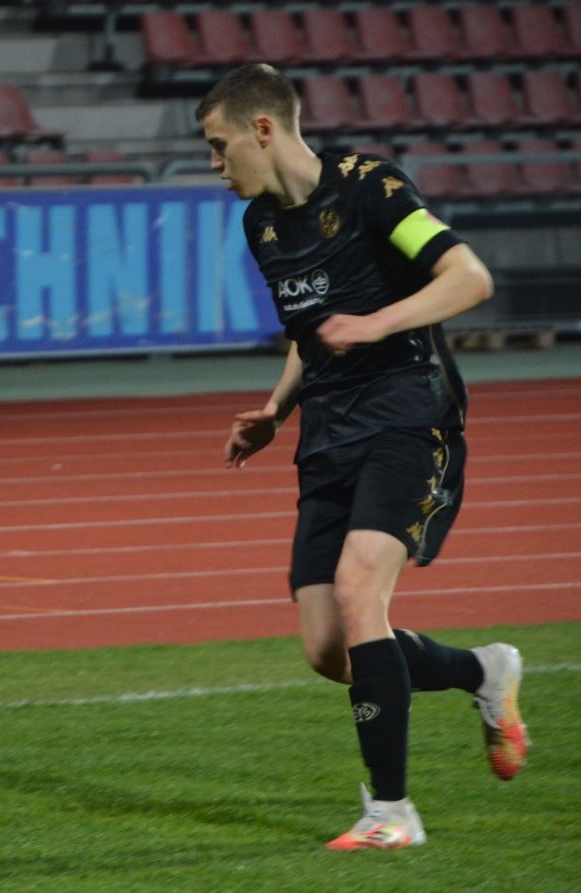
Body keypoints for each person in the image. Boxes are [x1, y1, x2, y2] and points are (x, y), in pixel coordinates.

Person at [198, 64, 529, 850]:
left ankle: (392, 812)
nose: (215, 165)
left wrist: (377, 322)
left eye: (219, 145)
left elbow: (468, 277)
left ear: (263, 130)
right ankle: (484, 672)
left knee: (358, 591)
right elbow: (308, 333)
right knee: (328, 647)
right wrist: (277, 408)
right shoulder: (261, 224)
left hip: (408, 415)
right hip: (327, 432)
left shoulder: (372, 188)